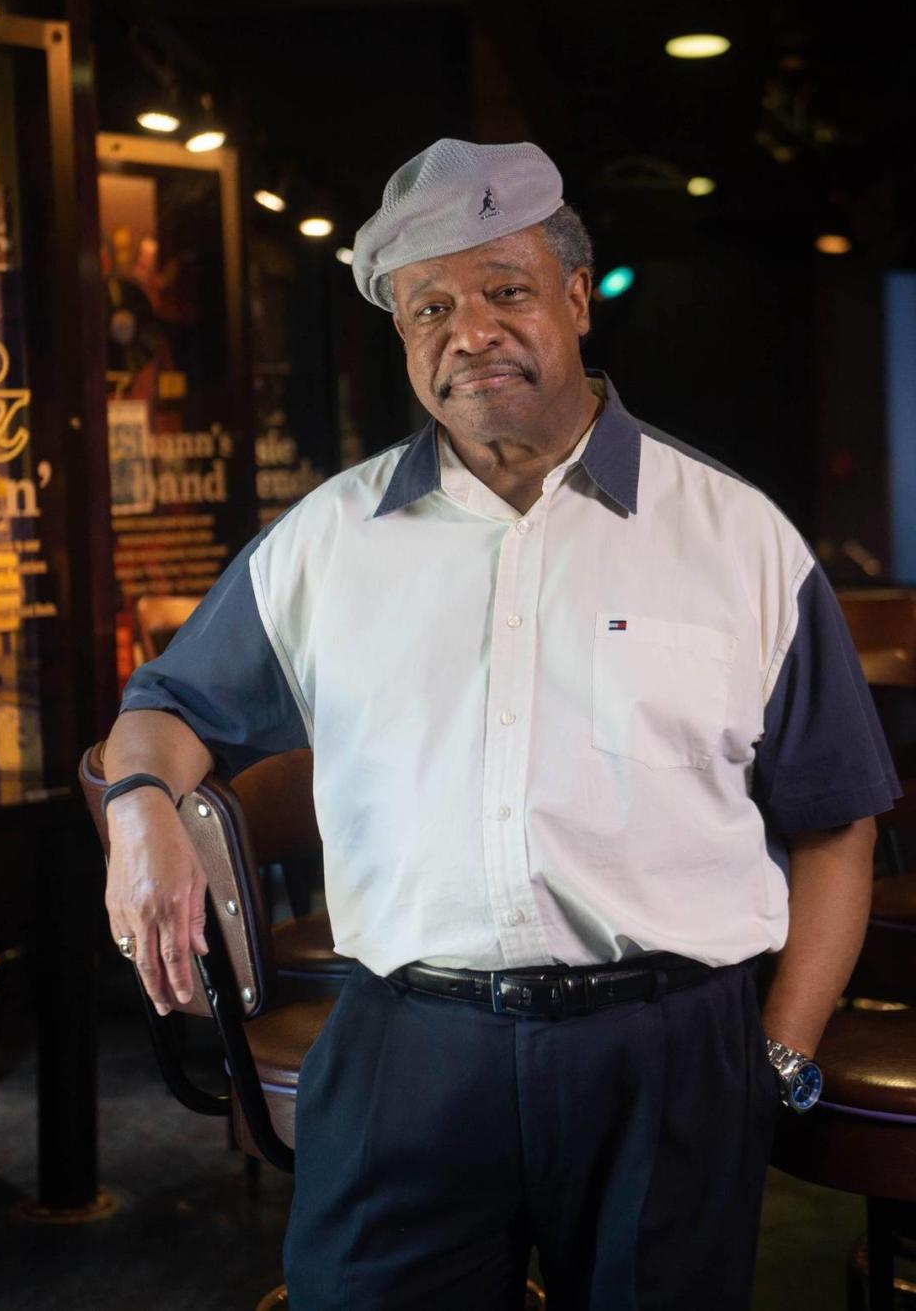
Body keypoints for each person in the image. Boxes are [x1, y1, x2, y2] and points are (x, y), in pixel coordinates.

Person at [102, 138, 899, 1311]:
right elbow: (163, 708)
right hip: (407, 1047)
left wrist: (774, 1053)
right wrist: (142, 813)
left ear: (577, 298)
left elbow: (837, 827)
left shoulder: (741, 540)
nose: (470, 331)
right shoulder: (327, 542)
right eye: (431, 306)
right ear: (403, 337)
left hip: (670, 1050)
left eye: (505, 291)